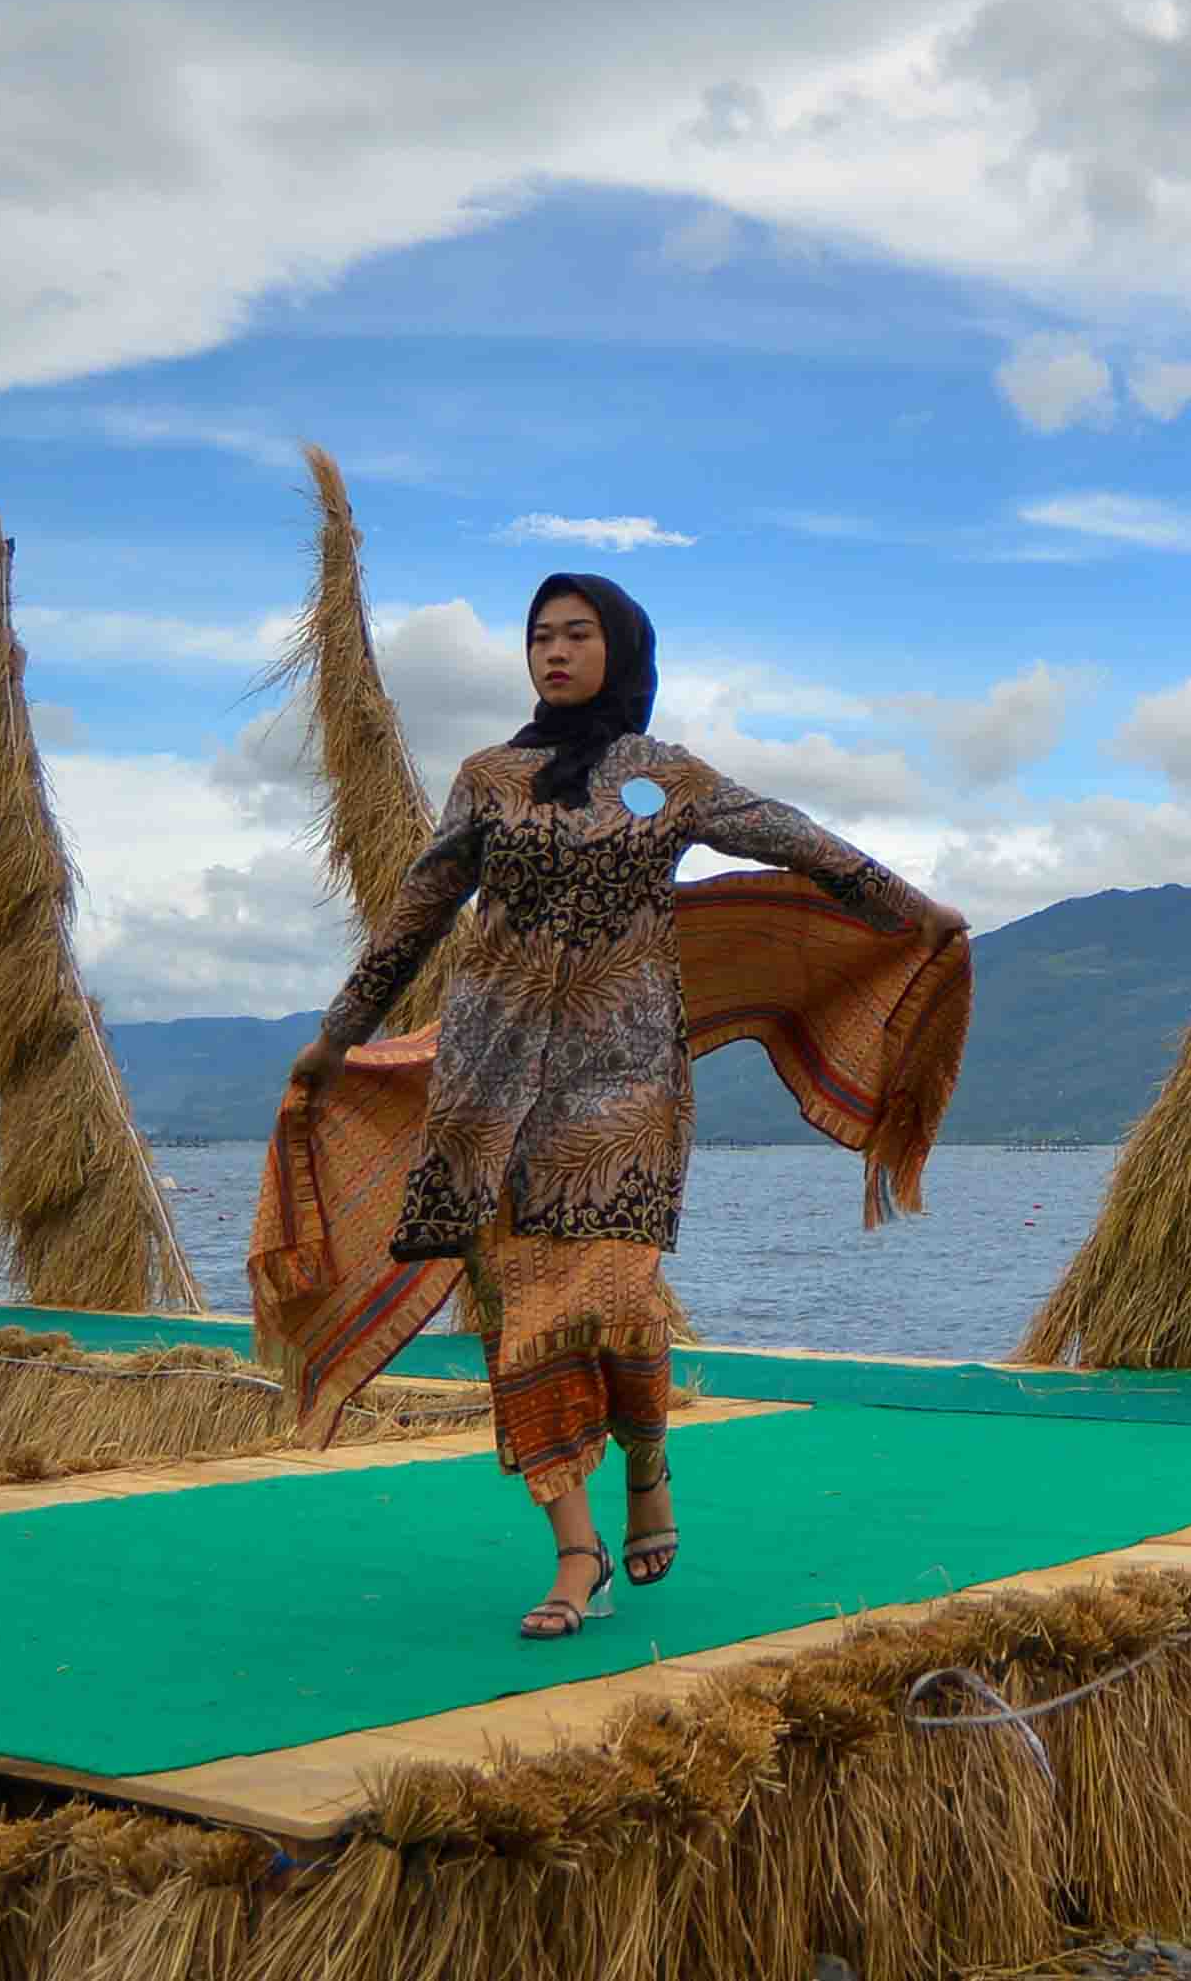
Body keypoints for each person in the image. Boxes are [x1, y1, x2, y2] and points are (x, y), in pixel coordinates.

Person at [281, 572, 964, 1639]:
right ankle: (573, 1550)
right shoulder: (489, 777)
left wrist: (913, 910)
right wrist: (336, 1035)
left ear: (622, 649)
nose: (553, 652)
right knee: (522, 1314)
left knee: (614, 1294)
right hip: (490, 1078)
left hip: (628, 1073)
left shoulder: (668, 777)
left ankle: (646, 1460)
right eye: (539, 637)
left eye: (576, 634)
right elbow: (417, 912)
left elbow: (795, 839)